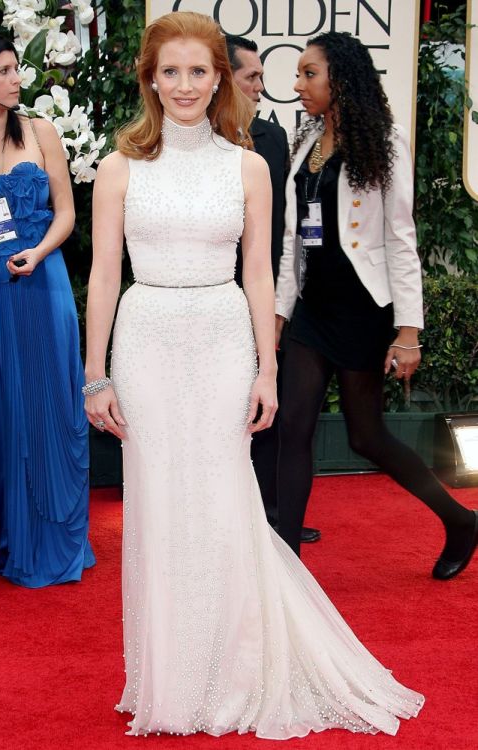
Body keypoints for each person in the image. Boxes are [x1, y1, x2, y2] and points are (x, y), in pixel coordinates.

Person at [85, 11, 423, 738]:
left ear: (219, 80)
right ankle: (170, 681)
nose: (183, 85)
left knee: (224, 499)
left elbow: (261, 276)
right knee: (157, 506)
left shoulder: (248, 167)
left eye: (197, 72)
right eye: (169, 71)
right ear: (150, 79)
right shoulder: (117, 168)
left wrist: (267, 370)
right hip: (146, 342)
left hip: (221, 339)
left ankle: (234, 670)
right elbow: (104, 275)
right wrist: (95, 373)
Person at [275, 31, 478, 577]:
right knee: (292, 426)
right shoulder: (307, 139)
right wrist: (279, 312)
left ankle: (460, 520)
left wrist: (408, 332)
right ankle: (286, 566)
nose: (298, 84)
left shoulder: (385, 142)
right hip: (312, 309)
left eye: (309, 73)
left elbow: (400, 238)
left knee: (366, 436)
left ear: (340, 78)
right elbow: (295, 238)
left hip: (363, 310)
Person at [0, 33, 95, 587]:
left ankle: (52, 534)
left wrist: (40, 251)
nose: (17, 79)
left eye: (16, 68)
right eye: (4, 71)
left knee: (51, 403)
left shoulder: (42, 132)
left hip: (42, 281)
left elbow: (67, 213)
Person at [225, 34, 320, 543]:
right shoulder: (198, 139)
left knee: (267, 401)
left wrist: (282, 296)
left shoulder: (273, 136)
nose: (262, 87)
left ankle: (274, 515)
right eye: (252, 77)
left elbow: (287, 222)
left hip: (265, 289)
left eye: (262, 76)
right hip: (212, 289)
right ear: (225, 79)